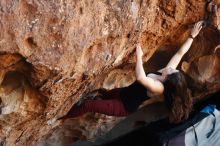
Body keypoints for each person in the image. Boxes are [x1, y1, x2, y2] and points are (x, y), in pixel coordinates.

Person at [57, 21, 204, 123]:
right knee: (103, 93)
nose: (171, 67)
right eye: (173, 68)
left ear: (167, 79)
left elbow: (140, 77)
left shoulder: (159, 87)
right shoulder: (167, 73)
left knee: (89, 105)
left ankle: (62, 116)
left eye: (171, 70)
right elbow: (179, 54)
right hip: (123, 93)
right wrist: (192, 36)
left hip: (123, 107)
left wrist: (139, 58)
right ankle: (84, 102)